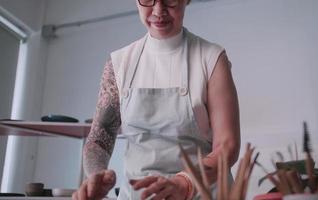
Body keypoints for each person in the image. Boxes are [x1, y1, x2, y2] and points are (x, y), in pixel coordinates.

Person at [72, 0, 240, 199]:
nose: (158, 10)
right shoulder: (119, 63)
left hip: (201, 193)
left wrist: (185, 182)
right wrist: (95, 175)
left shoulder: (211, 58)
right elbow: (99, 139)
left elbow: (227, 145)